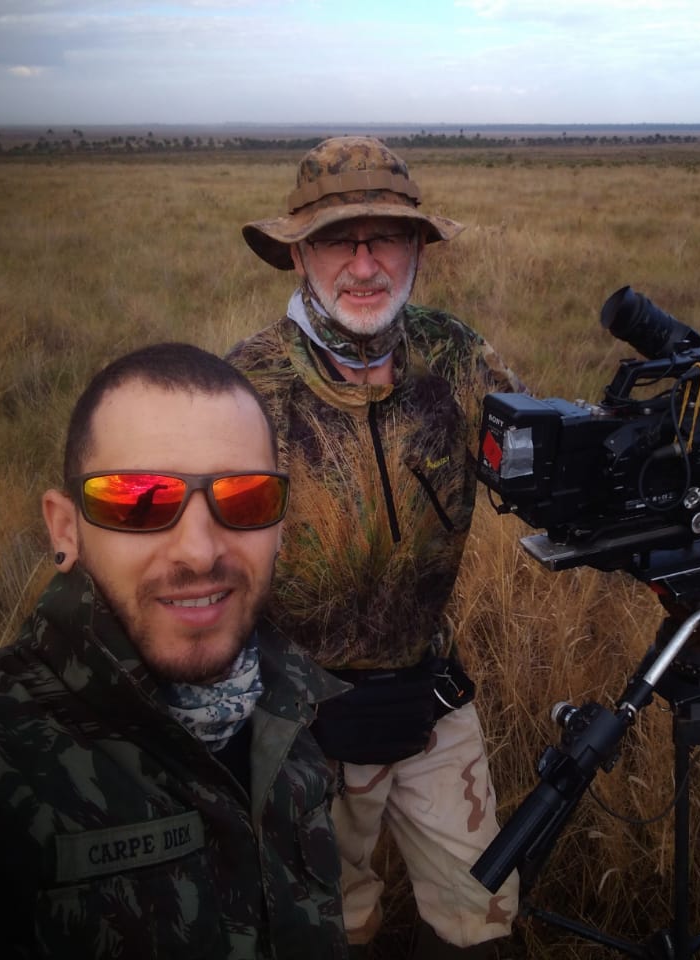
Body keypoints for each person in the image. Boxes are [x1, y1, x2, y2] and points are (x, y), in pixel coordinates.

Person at [0, 342, 350, 959]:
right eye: (138, 501)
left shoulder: (294, 708)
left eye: (245, 497)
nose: (200, 552)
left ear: (280, 521)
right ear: (64, 528)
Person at [228, 137, 523, 958]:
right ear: (298, 254)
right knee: (331, 923)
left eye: (385, 236)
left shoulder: (458, 358)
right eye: (336, 238)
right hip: (295, 723)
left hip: (429, 696)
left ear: (418, 249)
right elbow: (198, 569)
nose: (364, 263)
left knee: (483, 910)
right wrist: (287, 707)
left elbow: (538, 462)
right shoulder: (246, 388)